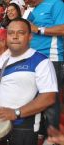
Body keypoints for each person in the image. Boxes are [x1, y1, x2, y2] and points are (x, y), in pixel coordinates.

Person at [0, 18, 58, 145]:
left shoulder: (41, 61)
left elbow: (49, 97)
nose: (15, 37)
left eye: (21, 33)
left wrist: (16, 112)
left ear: (30, 37)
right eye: (11, 33)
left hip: (23, 127)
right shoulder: (3, 60)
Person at [25, 0, 64, 130]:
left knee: (50, 101)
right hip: (33, 59)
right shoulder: (33, 10)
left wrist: (38, 29)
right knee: (33, 98)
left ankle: (52, 138)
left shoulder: (56, 3)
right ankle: (39, 132)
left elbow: (63, 28)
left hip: (51, 58)